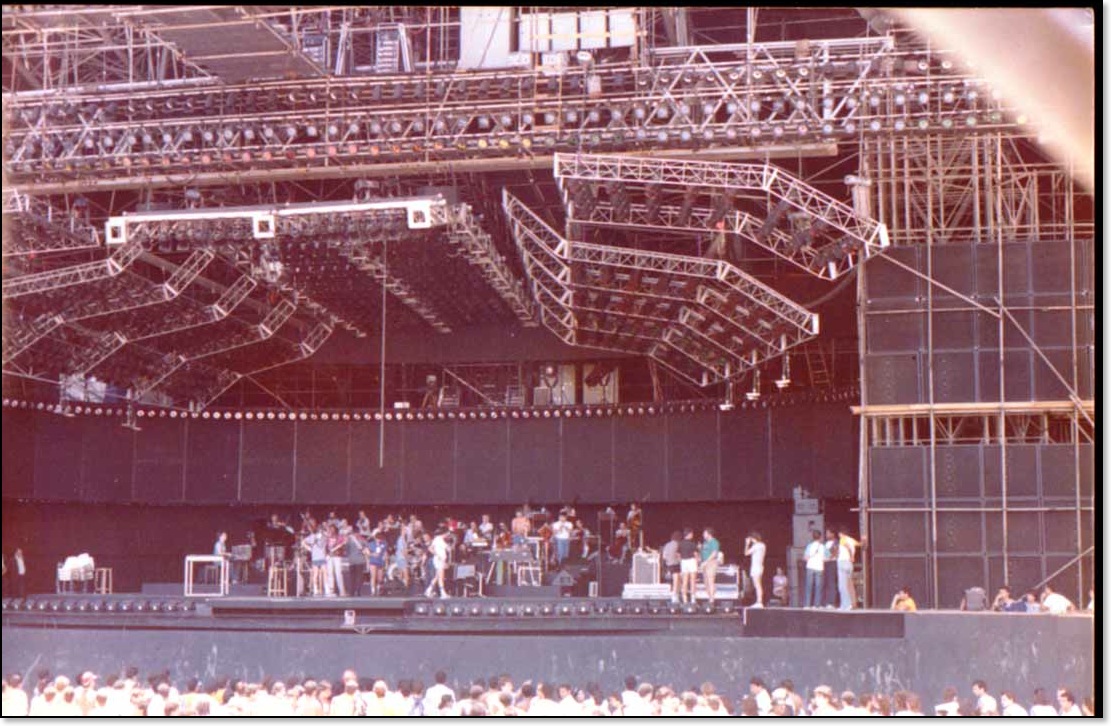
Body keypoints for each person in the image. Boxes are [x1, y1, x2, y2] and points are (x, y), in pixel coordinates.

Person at [836, 527, 860, 610]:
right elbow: (860, 544)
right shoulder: (852, 540)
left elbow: (848, 547)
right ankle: (852, 604)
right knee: (849, 585)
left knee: (842, 586)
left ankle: (845, 605)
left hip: (843, 562)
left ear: (841, 533)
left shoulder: (843, 539)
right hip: (849, 564)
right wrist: (864, 540)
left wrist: (851, 556)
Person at [425, 528, 450, 599]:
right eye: (448, 533)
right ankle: (443, 593)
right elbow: (430, 548)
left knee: (437, 576)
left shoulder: (441, 540)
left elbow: (448, 548)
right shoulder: (438, 539)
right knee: (441, 577)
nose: (448, 535)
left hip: (441, 560)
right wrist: (437, 555)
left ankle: (428, 590)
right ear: (445, 533)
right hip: (439, 560)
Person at [803, 530, 825, 608]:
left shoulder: (809, 546)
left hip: (810, 567)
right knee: (818, 587)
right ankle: (817, 605)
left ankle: (807, 605)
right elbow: (827, 557)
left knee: (808, 586)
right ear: (820, 537)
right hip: (819, 567)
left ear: (813, 537)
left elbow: (805, 558)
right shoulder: (823, 547)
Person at [676, 529, 698, 604]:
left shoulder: (680, 543)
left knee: (684, 581)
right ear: (689, 535)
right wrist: (698, 561)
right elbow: (695, 554)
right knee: (692, 580)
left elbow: (678, 554)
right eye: (691, 534)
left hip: (683, 561)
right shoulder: (693, 543)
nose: (692, 535)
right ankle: (693, 598)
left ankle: (684, 599)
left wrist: (680, 561)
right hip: (691, 561)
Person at [744, 532, 766, 608]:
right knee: (758, 584)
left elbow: (746, 553)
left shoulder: (756, 546)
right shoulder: (762, 545)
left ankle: (759, 601)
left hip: (756, 567)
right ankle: (759, 601)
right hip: (760, 567)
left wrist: (747, 544)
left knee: (757, 585)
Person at [700, 528, 721, 604]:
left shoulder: (714, 542)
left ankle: (712, 599)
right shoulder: (705, 542)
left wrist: (706, 561)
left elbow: (714, 553)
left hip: (711, 563)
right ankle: (709, 597)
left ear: (709, 534)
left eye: (704, 533)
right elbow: (702, 552)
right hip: (704, 563)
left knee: (710, 580)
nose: (703, 535)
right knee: (706, 581)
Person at [661, 532, 682, 604]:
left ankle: (674, 594)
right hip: (676, 564)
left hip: (668, 565)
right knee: (677, 580)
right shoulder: (678, 544)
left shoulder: (667, 545)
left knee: (673, 581)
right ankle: (675, 595)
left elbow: (664, 556)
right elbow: (679, 555)